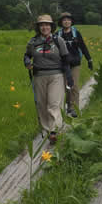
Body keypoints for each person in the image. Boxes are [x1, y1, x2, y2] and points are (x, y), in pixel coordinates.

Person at [23, 14, 73, 143]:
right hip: (39, 76)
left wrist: (69, 77)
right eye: (41, 25)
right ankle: (47, 129)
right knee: (42, 105)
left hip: (56, 75)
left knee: (54, 104)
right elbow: (27, 56)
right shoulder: (33, 42)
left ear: (51, 27)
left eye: (47, 25)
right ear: (38, 27)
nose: (44, 27)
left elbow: (66, 60)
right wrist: (27, 62)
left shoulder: (58, 40)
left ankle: (54, 131)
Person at [57, 11, 93, 118]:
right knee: (65, 87)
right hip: (63, 64)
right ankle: (69, 106)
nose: (67, 21)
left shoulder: (76, 33)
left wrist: (89, 59)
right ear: (61, 22)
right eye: (64, 20)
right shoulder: (57, 35)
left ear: (71, 21)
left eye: (68, 19)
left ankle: (74, 108)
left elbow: (83, 47)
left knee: (74, 86)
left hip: (75, 63)